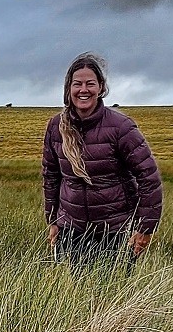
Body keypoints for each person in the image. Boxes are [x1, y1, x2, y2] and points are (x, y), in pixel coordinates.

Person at [42, 52, 162, 275]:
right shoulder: (56, 127)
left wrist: (146, 228)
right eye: (77, 84)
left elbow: (149, 178)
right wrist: (53, 220)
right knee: (75, 299)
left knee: (112, 298)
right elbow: (51, 176)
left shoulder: (121, 127)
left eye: (90, 83)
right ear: (68, 89)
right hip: (72, 231)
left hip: (115, 232)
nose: (83, 90)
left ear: (101, 87)